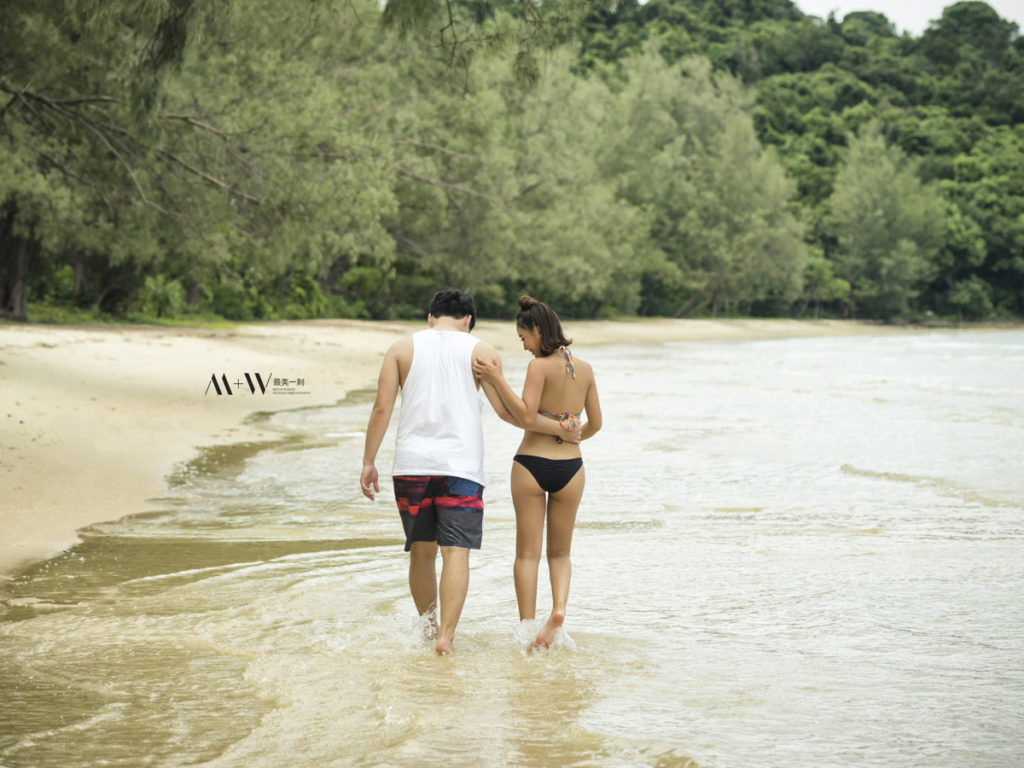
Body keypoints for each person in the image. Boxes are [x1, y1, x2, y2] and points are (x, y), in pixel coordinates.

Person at [359, 289, 569, 655]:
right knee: (457, 553)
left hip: (411, 466)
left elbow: (382, 408)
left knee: (422, 553)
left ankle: (427, 632)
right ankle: (447, 637)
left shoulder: (399, 350)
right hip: (462, 468)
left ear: (430, 317)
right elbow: (507, 413)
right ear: (468, 320)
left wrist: (369, 461)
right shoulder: (481, 352)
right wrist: (559, 430)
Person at [473, 295, 602, 649]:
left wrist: (497, 378)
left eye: (523, 338)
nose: (524, 346)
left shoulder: (538, 368)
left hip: (531, 464)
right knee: (560, 553)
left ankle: (528, 628)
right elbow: (597, 424)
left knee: (527, 554)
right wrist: (573, 434)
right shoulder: (585, 368)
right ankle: (558, 613)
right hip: (572, 469)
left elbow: (526, 417)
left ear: (538, 330)